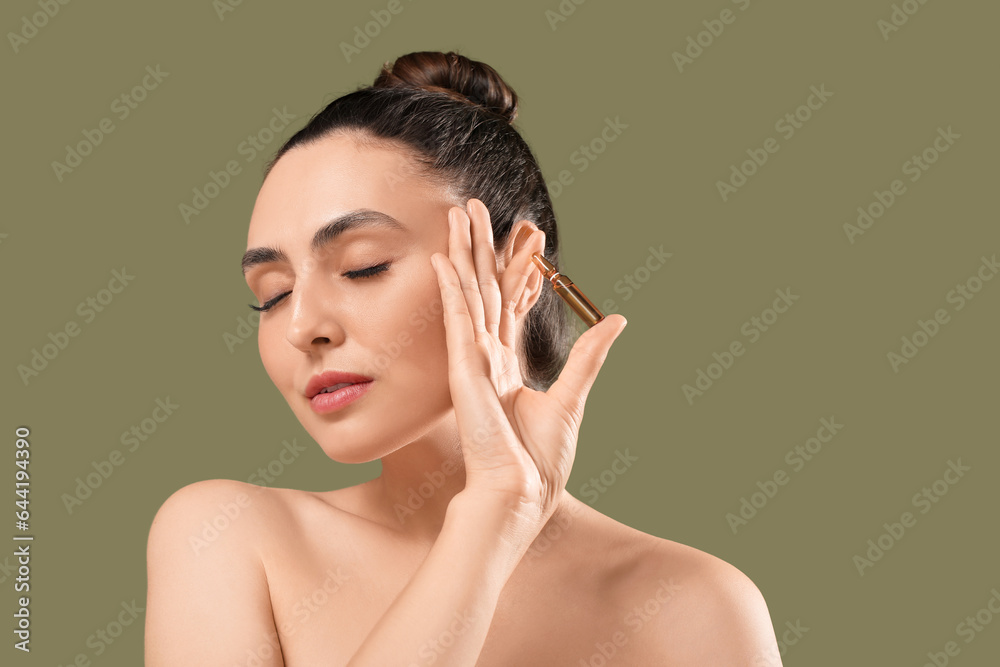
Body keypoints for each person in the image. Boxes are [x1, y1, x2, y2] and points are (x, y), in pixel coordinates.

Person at [145, 50, 782, 666]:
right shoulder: (225, 537)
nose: (302, 326)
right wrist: (493, 515)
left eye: (363, 266)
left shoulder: (697, 607)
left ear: (518, 269)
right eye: (273, 295)